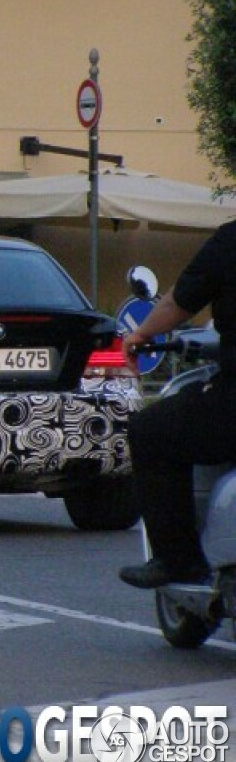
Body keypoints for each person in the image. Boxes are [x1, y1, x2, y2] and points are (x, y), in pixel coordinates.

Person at [118, 220, 236, 589]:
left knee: (151, 431)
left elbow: (181, 301)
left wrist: (142, 333)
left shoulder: (230, 241)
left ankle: (179, 561)